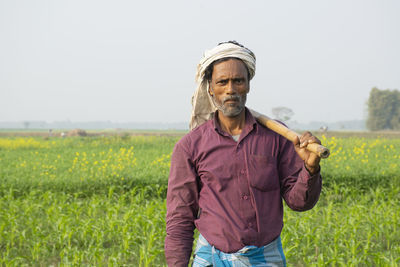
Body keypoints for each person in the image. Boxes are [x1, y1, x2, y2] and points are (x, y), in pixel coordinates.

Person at [165, 41, 322, 267]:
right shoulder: (191, 146)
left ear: (248, 85)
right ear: (211, 88)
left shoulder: (277, 137)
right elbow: (180, 218)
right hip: (212, 258)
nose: (230, 89)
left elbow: (299, 203)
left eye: (238, 81)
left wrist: (310, 168)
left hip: (265, 258)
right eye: (222, 82)